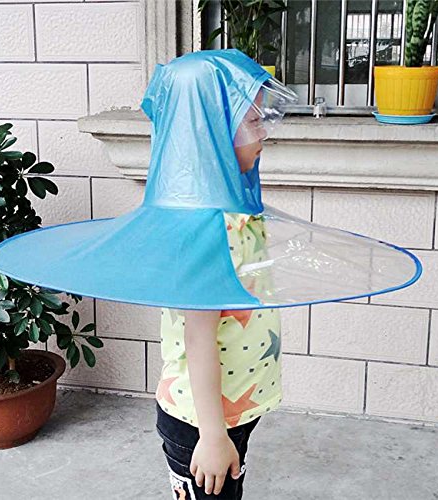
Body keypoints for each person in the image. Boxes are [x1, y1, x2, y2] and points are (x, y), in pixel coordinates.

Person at [155, 87, 282, 499]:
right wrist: (212, 436)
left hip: (230, 413)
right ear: (213, 135)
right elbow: (198, 337)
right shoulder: (205, 228)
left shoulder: (238, 209)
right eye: (253, 121)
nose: (264, 132)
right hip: (200, 423)